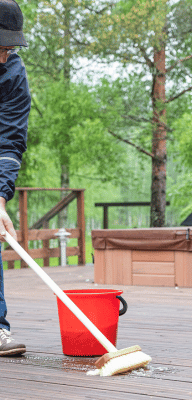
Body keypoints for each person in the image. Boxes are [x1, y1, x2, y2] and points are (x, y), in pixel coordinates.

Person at [0, 0, 30, 356]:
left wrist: (0, 199)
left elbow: (8, 140)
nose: (4, 58)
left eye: (8, 49)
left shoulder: (12, 74)